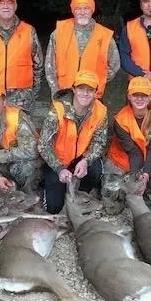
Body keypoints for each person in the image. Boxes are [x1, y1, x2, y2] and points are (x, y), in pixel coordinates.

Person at [38, 70, 108, 214]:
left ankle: (80, 191)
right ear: (74, 89)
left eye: (90, 90)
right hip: (57, 161)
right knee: (54, 208)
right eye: (81, 88)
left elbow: (99, 142)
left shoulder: (100, 111)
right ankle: (54, 185)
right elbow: (43, 145)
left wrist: (86, 161)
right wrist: (59, 168)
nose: (85, 93)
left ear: (96, 92)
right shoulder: (58, 110)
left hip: (80, 159)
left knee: (96, 170)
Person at [102, 77, 151, 215]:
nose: (140, 99)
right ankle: (131, 191)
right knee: (111, 209)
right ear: (129, 96)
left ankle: (141, 193)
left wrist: (145, 176)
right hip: (121, 161)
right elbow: (133, 151)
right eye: (135, 95)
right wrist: (137, 177)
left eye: (144, 95)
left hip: (146, 159)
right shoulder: (120, 119)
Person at [44, 0, 120, 99]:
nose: (82, 12)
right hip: (64, 93)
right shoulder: (59, 32)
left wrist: (99, 80)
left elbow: (114, 64)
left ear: (92, 10)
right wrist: (55, 89)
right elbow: (49, 65)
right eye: (78, 8)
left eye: (86, 8)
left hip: (91, 94)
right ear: (73, 11)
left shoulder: (104, 35)